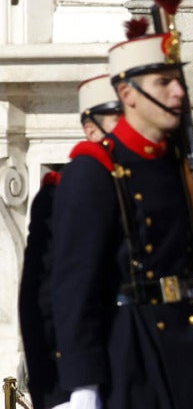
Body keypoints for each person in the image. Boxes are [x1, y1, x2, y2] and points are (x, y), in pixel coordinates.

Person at [50, 19, 193, 409]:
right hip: (126, 350)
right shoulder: (96, 170)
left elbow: (175, 241)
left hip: (182, 346)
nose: (178, 92)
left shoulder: (176, 163)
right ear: (127, 93)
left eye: (178, 80)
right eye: (163, 83)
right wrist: (83, 384)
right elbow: (73, 285)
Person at [18, 74, 121, 409]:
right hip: (76, 377)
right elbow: (43, 300)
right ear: (92, 129)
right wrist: (59, 391)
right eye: (117, 120)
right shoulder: (61, 193)